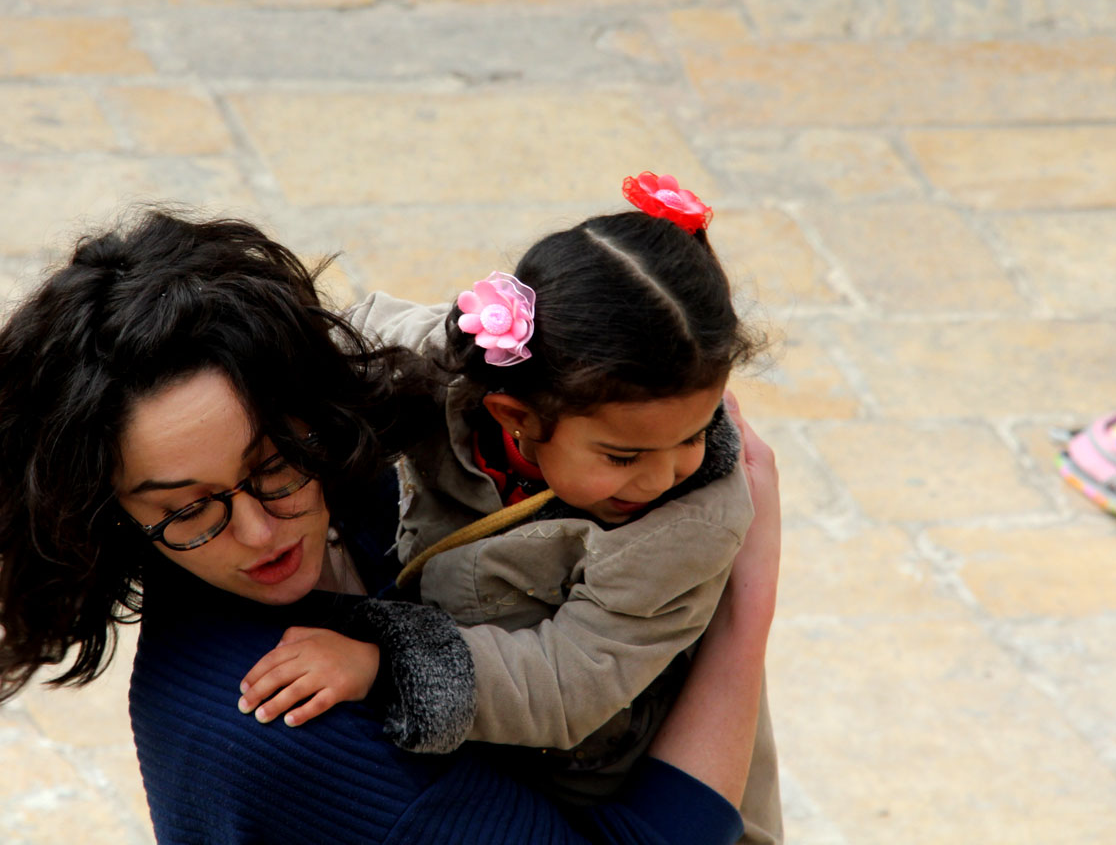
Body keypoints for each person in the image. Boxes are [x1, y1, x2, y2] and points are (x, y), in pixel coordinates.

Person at [0, 208, 781, 845]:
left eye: (276, 467)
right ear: (111, 514)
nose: (261, 532)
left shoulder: (367, 465)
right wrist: (744, 618)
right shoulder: (289, 735)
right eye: (190, 510)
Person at [236, 174, 782, 842]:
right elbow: (340, 346)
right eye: (622, 455)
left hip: (604, 784)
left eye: (693, 437)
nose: (664, 475)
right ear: (514, 414)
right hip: (488, 730)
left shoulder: (688, 524)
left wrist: (383, 664)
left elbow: (568, 683)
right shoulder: (450, 372)